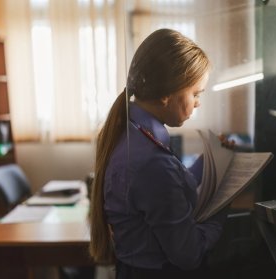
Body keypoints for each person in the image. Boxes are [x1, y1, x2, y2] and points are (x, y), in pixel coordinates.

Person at [89, 28, 232, 279]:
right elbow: (188, 255)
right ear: (167, 94)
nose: (198, 102)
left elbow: (172, 182)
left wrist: (212, 159)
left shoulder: (135, 135)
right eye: (195, 93)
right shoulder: (151, 161)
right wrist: (223, 208)